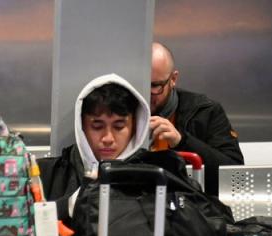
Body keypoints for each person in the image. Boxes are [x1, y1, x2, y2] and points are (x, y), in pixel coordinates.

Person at [38, 74, 151, 222]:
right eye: (97, 126)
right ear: (82, 126)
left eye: (119, 126)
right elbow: (16, 228)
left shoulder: (153, 178)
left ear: (135, 127)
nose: (108, 138)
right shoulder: (46, 175)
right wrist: (67, 206)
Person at [149, 42, 243, 196]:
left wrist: (182, 141)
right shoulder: (119, 111)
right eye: (141, 84)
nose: (147, 94)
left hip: (190, 208)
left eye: (155, 86)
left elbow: (235, 177)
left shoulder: (205, 111)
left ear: (173, 79)